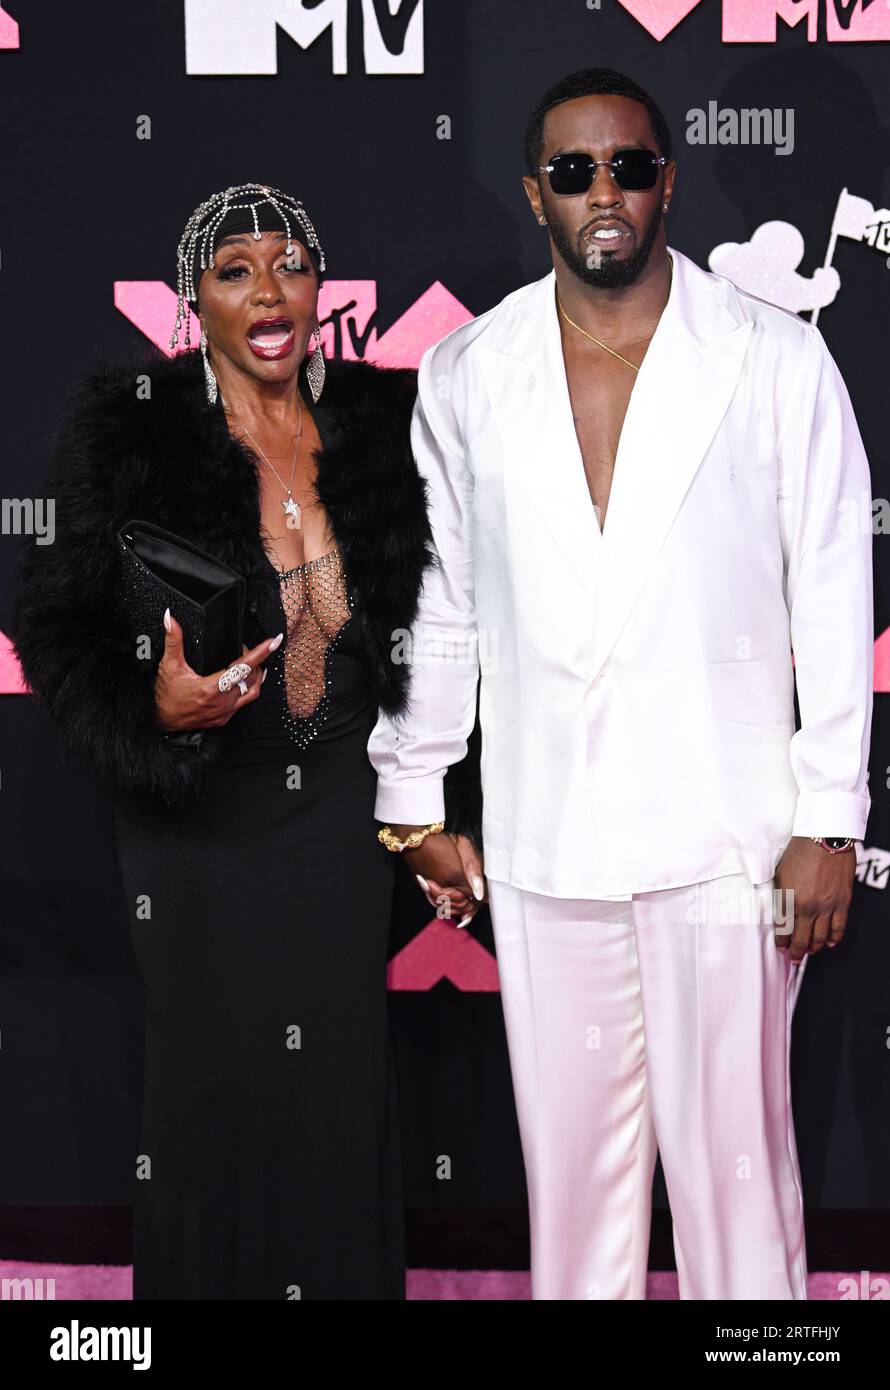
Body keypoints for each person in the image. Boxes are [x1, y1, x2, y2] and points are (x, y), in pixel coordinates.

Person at [367, 71, 874, 1300]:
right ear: (535, 190)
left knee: (736, 1186)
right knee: (574, 1200)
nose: (607, 193)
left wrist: (828, 817)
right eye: (576, 170)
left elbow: (830, 591)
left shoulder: (772, 358)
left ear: (669, 182)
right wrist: (416, 794)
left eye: (631, 167)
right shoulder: (470, 371)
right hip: (550, 845)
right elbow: (444, 600)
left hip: (725, 840)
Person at [10, 182, 483, 1300]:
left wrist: (433, 803)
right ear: (194, 301)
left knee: (335, 1091)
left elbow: (452, 615)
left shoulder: (385, 426)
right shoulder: (131, 431)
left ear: (320, 287)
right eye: (234, 271)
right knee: (208, 1088)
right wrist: (154, 705)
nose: (267, 291)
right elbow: (60, 627)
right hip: (197, 825)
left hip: (333, 812)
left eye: (289, 265)